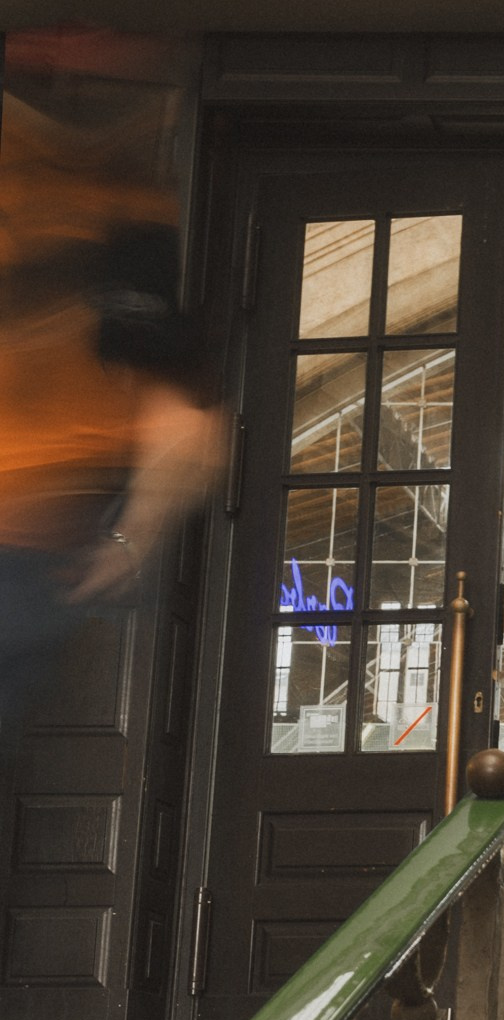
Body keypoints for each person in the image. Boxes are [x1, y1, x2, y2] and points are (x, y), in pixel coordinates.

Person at [0, 31, 215, 745]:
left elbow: (181, 420)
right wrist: (129, 539)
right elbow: (184, 423)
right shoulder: (126, 208)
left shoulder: (119, 208)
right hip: (34, 538)